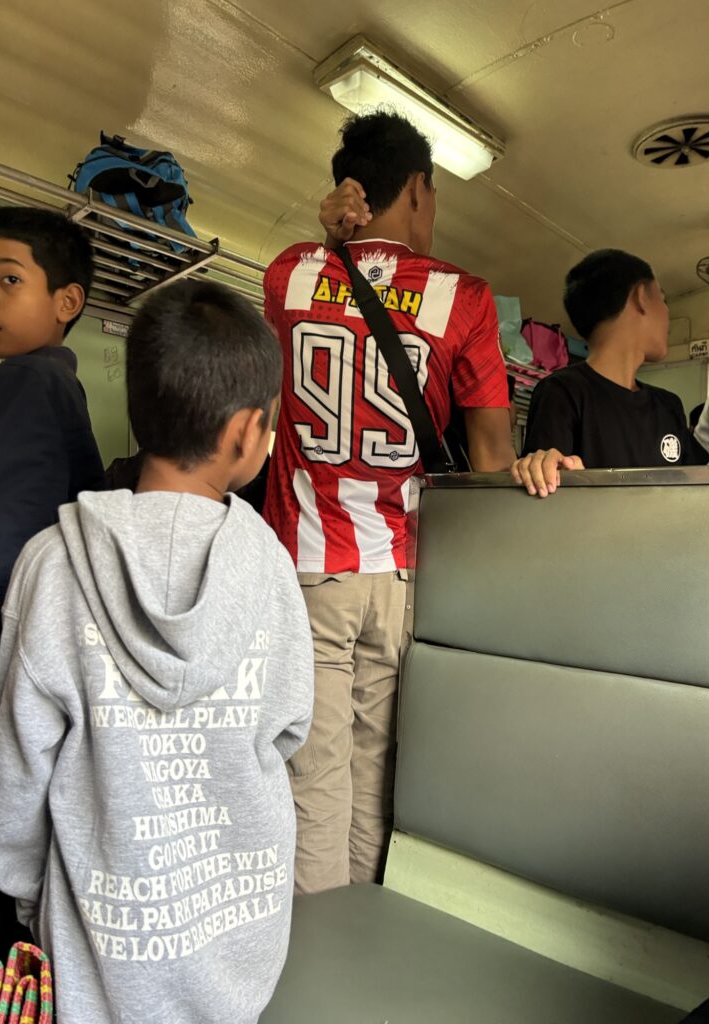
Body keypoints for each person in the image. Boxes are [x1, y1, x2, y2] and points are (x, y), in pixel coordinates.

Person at [0, 280, 314, 1024]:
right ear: (247, 432)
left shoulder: (51, 566)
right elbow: (288, 729)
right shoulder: (272, 569)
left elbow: (19, 775)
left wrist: (31, 897)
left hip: (95, 960)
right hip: (240, 951)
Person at [263, 112, 515, 894]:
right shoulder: (463, 298)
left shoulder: (291, 274)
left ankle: (317, 966)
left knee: (313, 781)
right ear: (416, 189)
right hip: (403, 577)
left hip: (308, 572)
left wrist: (332, 238)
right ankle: (365, 941)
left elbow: (315, 286)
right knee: (377, 776)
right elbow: (493, 460)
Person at [0, 206, 104, 957]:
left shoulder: (26, 386)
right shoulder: (42, 388)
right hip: (6, 682)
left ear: (65, 303)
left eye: (9, 280)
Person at [512, 249, 708, 497]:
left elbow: (700, 491)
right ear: (641, 297)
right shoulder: (562, 392)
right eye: (663, 299)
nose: (668, 314)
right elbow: (547, 490)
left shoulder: (668, 405)